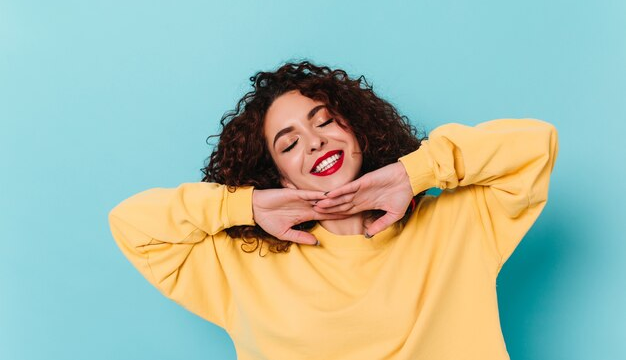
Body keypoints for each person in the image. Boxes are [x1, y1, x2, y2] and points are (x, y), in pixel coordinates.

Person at [109, 61, 559, 360]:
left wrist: (415, 173)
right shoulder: (242, 266)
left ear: (358, 131)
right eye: (289, 143)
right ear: (281, 177)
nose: (315, 141)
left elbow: (535, 145)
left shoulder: (458, 223)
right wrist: (241, 204)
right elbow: (131, 224)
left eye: (324, 121)